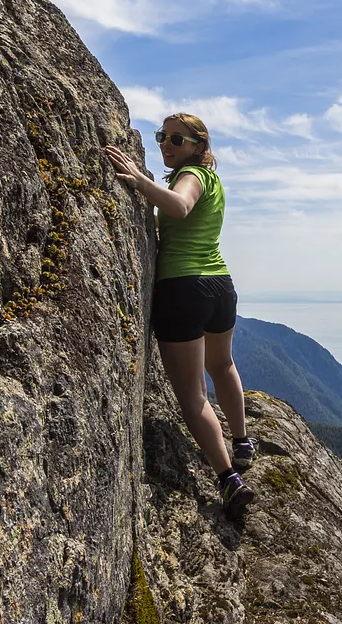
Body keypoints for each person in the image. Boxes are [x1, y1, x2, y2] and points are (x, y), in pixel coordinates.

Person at [103, 113, 255, 515]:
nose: (166, 145)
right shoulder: (216, 182)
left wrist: (139, 179)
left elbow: (181, 207)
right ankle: (241, 443)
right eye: (161, 137)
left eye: (176, 139)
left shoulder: (193, 178)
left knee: (192, 396)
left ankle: (228, 480)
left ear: (199, 147)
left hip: (182, 289)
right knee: (222, 366)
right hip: (219, 286)